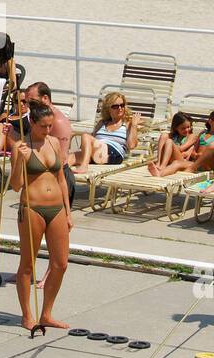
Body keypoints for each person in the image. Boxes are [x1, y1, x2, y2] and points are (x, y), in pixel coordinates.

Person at [9, 102, 71, 331]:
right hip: (31, 208)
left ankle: (47, 313)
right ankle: (27, 314)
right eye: (43, 126)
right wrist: (21, 162)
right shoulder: (21, 147)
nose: (47, 131)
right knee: (27, 265)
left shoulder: (54, 142)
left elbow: (61, 179)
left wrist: (68, 210)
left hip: (56, 209)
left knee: (61, 263)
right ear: (32, 123)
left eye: (50, 126)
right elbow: (16, 186)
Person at [73, 91, 142, 169]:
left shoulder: (128, 124)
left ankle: (84, 166)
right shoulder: (102, 123)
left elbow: (132, 145)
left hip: (113, 154)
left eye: (122, 105)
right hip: (97, 152)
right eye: (115, 106)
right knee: (70, 158)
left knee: (85, 136)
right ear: (108, 109)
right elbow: (91, 141)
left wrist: (134, 125)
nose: (120, 108)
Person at [147, 112, 201, 176]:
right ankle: (159, 162)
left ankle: (162, 166)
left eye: (188, 127)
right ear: (176, 128)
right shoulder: (174, 136)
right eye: (183, 128)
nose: (187, 130)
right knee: (164, 135)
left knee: (169, 141)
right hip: (172, 159)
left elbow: (181, 149)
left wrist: (169, 146)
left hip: (182, 161)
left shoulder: (192, 136)